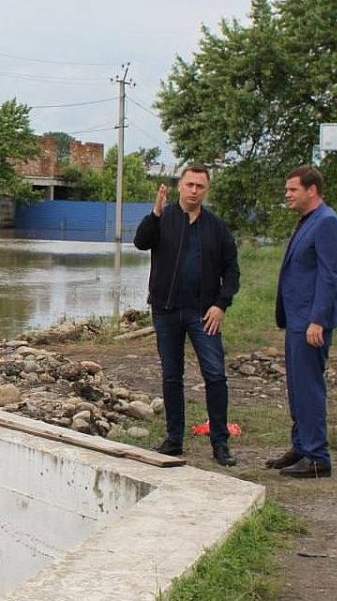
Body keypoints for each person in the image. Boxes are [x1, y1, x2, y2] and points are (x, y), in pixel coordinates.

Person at [134, 164, 240, 466]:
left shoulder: (217, 227)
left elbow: (232, 270)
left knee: (215, 375)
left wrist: (221, 304)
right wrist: (155, 213)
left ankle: (220, 443)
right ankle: (174, 439)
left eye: (200, 186)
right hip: (166, 311)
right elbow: (141, 242)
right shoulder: (163, 219)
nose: (194, 191)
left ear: (206, 190)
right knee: (171, 376)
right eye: (190, 184)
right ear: (180, 186)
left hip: (203, 313)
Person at [268, 165, 337, 478]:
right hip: (297, 318)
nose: (287, 195)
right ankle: (301, 446)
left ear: (311, 190)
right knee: (297, 387)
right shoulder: (308, 221)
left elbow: (331, 275)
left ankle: (317, 457)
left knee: (309, 387)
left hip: (311, 322)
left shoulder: (328, 222)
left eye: (292, 190)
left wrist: (319, 320)